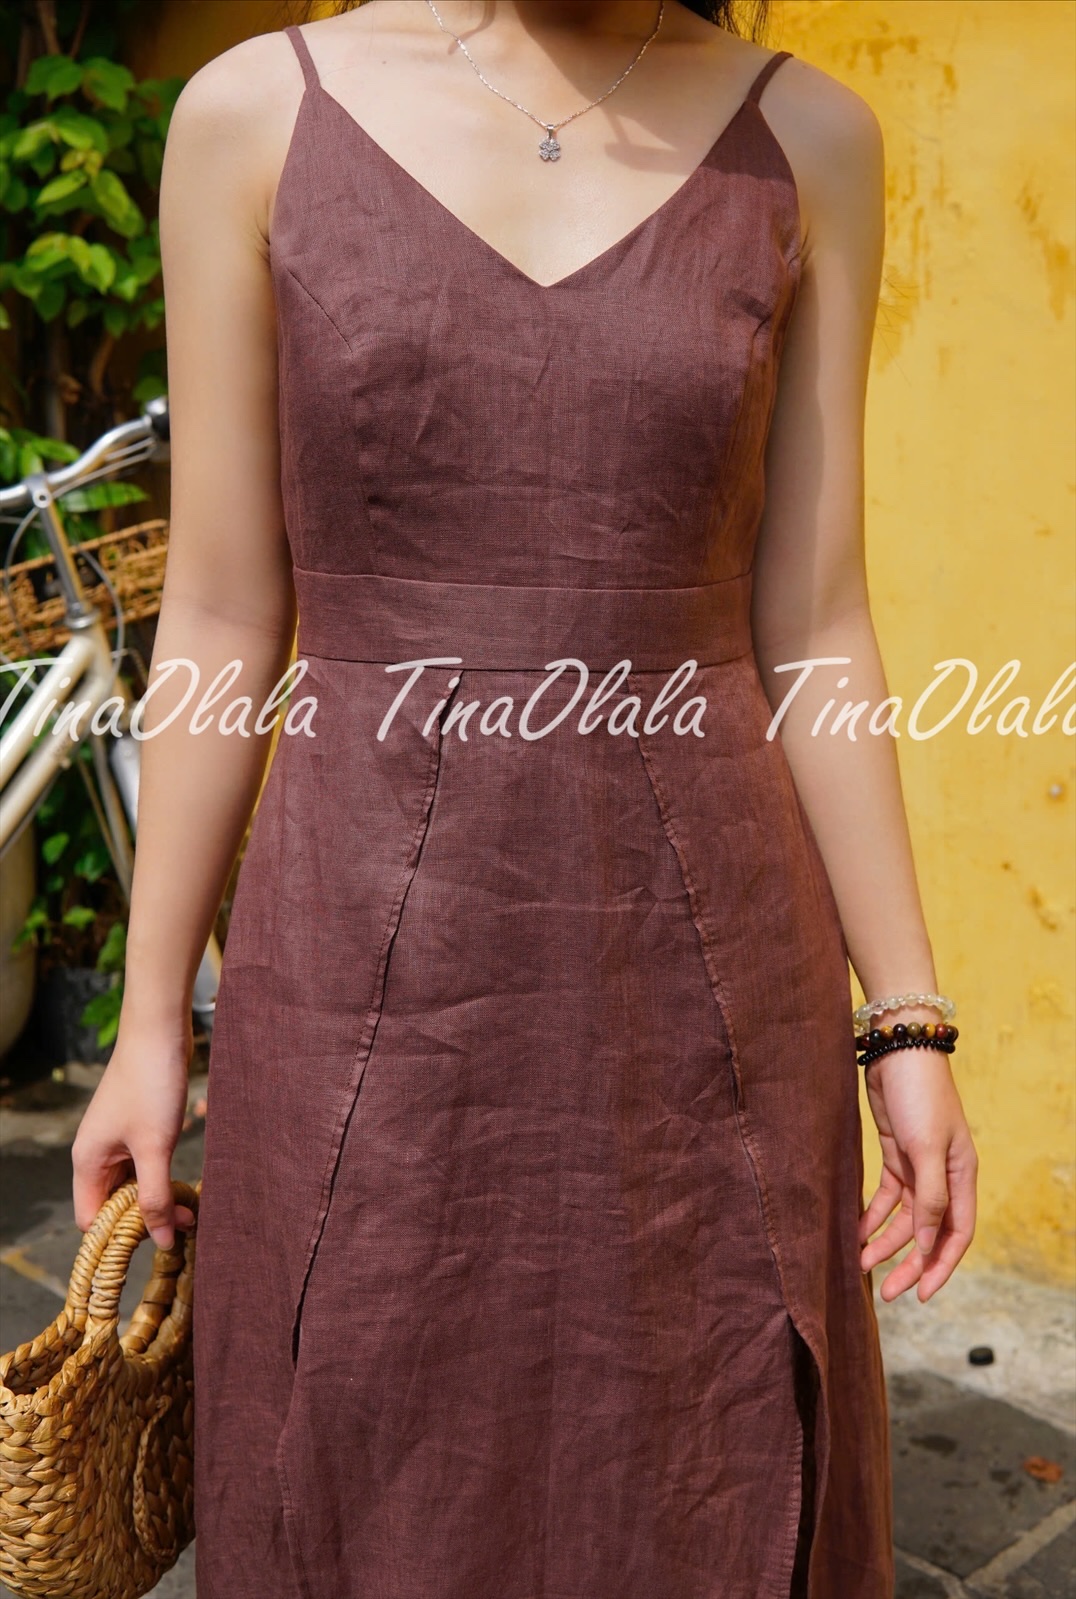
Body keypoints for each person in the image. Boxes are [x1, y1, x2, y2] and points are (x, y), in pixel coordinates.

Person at [71, 3, 979, 1595]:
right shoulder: (254, 117)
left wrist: (905, 1019)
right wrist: (152, 1020)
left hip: (703, 968)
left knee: (708, 1449)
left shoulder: (810, 140)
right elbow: (218, 609)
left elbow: (817, 620)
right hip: (358, 953)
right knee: (349, 1426)